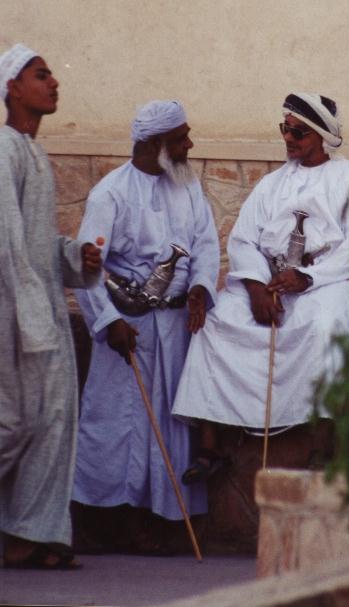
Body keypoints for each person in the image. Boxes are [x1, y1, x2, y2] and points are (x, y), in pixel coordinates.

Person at [173, 92, 349, 479]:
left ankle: (322, 447)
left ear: (321, 135)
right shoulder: (272, 184)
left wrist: (309, 277)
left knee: (324, 327)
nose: (288, 138)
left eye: (298, 132)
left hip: (329, 280)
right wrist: (255, 289)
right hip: (271, 279)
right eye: (285, 128)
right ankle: (211, 450)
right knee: (216, 322)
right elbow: (243, 240)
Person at [71, 100, 220, 554]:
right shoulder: (110, 194)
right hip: (128, 329)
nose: (189, 145)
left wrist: (200, 287)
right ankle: (102, 523)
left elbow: (205, 243)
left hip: (175, 326)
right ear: (155, 143)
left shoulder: (187, 185)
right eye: (181, 138)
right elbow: (86, 267)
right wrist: (110, 321)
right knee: (116, 425)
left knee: (167, 426)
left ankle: (158, 522)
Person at [0, 43, 102, 569]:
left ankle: (30, 535)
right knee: (14, 423)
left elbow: (38, 243)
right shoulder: (4, 150)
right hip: (13, 316)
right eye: (41, 75)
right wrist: (30, 316)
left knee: (53, 420)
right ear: (13, 88)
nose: (54, 82)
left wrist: (75, 256)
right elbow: (6, 244)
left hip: (41, 312)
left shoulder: (35, 153)